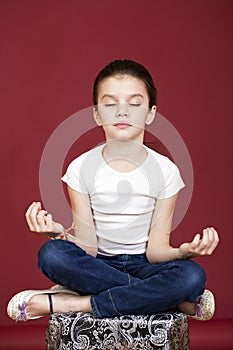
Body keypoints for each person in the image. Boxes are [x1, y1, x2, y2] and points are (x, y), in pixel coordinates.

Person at [7, 59, 219, 322]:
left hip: (146, 266)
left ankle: (75, 303)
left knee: (191, 275)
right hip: (98, 265)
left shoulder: (165, 170)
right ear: (97, 114)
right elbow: (88, 248)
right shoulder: (81, 167)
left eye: (134, 103)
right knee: (52, 255)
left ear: (150, 114)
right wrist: (56, 233)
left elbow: (156, 251)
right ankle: (170, 301)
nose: (122, 112)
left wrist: (183, 252)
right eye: (110, 104)